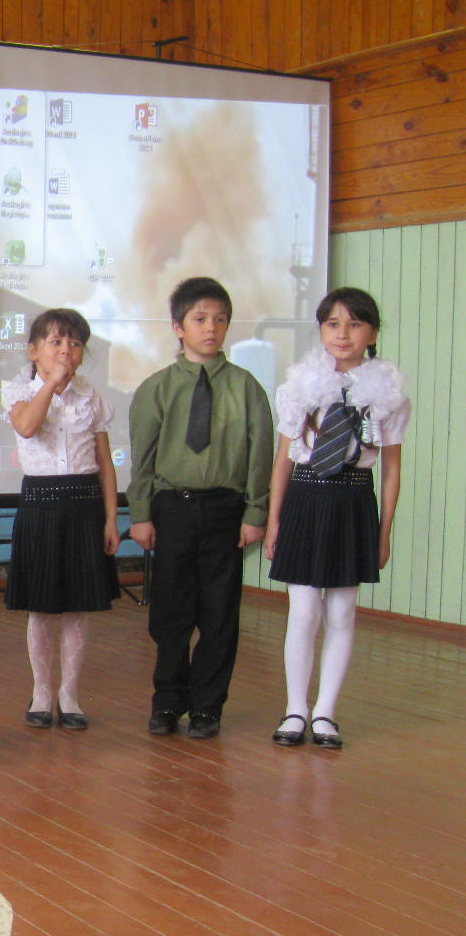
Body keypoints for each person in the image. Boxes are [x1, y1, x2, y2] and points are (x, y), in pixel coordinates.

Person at [128, 276, 274, 739]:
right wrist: (140, 514)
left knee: (219, 614)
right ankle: (168, 701)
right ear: (178, 326)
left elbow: (261, 454)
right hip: (172, 508)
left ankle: (208, 707)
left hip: (225, 511)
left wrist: (255, 513)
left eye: (220, 319)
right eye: (200, 319)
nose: (211, 328)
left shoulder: (246, 387)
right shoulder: (157, 388)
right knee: (170, 613)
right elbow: (143, 458)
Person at [265, 287, 408, 750]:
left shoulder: (389, 392)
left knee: (342, 612)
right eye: (332, 324)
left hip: (354, 501)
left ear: (373, 333)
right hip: (305, 498)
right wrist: (274, 522)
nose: (343, 334)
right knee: (304, 611)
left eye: (355, 324)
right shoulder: (300, 386)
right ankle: (295, 709)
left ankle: (325, 712)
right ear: (321, 331)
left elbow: (392, 469)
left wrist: (384, 531)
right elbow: (283, 459)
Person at [1, 308, 121, 730]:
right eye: (55, 342)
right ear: (34, 351)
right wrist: (51, 385)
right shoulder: (18, 391)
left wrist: (111, 519)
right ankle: (41, 693)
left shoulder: (92, 396)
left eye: (75, 343)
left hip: (85, 504)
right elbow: (27, 427)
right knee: (41, 607)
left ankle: (69, 695)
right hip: (40, 505)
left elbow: (105, 462)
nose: (66, 350)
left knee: (77, 608)